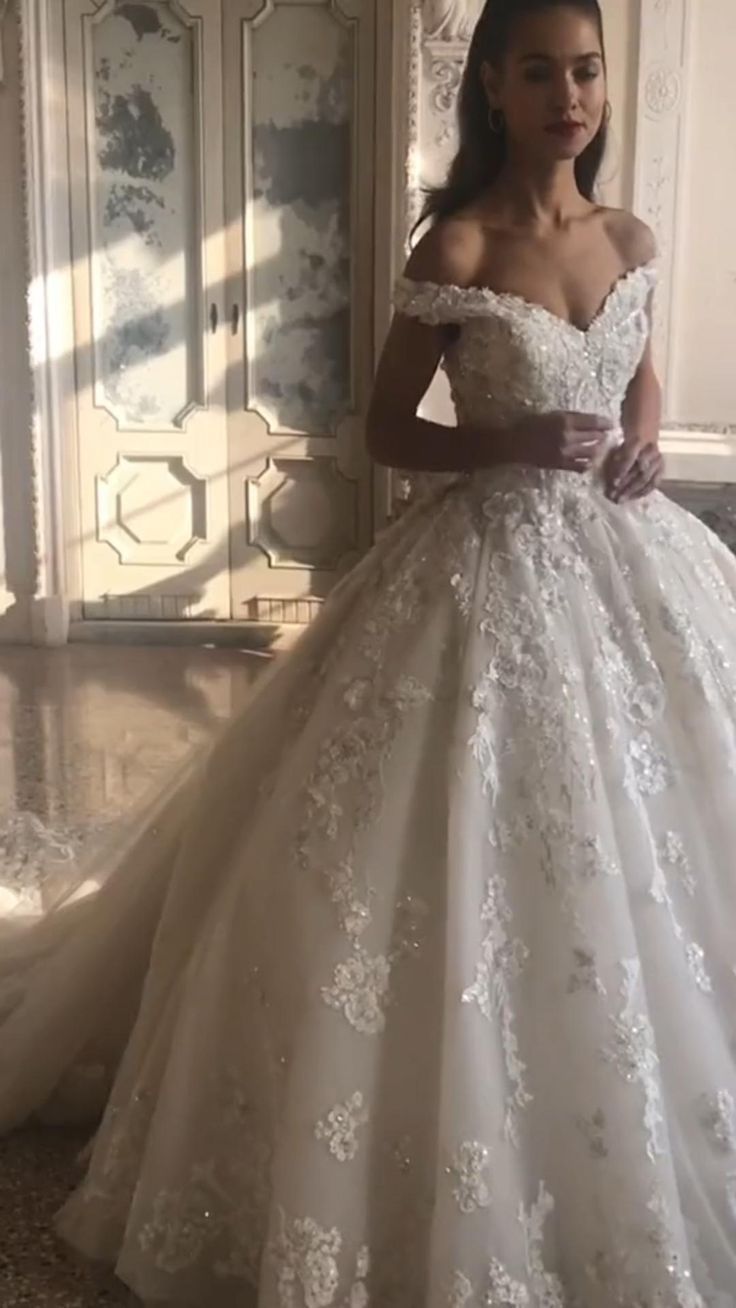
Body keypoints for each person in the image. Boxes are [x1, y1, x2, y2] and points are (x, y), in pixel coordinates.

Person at [1, 0, 736, 1303]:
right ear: (493, 91)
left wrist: (642, 439)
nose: (569, 96)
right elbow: (386, 431)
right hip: (481, 567)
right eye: (538, 73)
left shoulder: (631, 236)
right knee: (442, 836)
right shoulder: (456, 243)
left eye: (585, 71)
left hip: (628, 560)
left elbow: (640, 375)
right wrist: (505, 446)